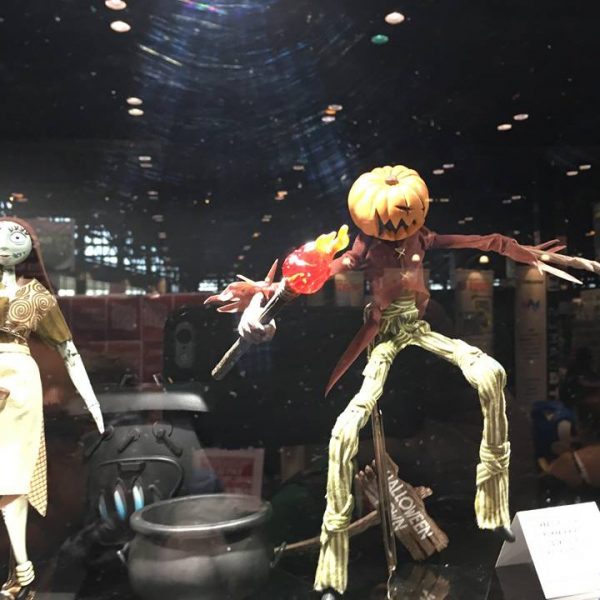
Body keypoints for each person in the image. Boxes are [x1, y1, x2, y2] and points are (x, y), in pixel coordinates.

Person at [0, 218, 103, 600]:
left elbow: (68, 352)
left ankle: (23, 569)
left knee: (15, 478)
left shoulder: (36, 297)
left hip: (22, 387)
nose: (6, 242)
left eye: (16, 236)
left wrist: (90, 402)